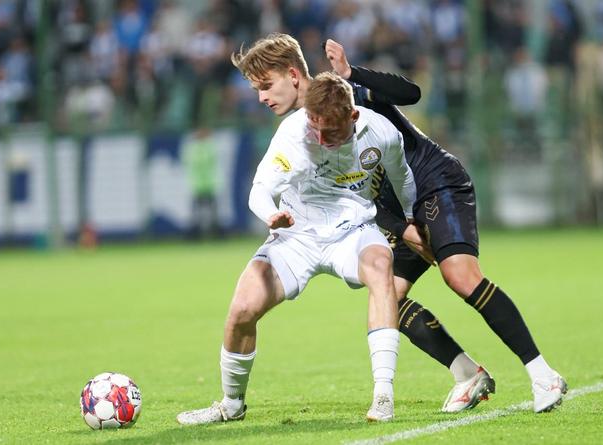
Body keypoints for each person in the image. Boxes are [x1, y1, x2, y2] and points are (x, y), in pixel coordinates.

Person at [233, 33, 567, 414]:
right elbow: (358, 194)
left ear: (293, 75)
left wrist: (353, 71)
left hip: (433, 182)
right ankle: (467, 373)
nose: (262, 96)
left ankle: (544, 375)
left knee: (459, 275)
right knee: (389, 295)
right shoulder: (302, 131)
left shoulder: (343, 94)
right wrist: (401, 225)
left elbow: (411, 93)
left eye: (266, 84)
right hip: (394, 209)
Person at [177, 72, 417, 424]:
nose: (320, 137)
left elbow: (402, 177)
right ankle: (231, 404)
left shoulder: (381, 132)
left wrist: (411, 220)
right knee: (242, 308)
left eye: (330, 131)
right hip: (296, 236)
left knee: (381, 266)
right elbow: (260, 189)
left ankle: (383, 395)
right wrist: (271, 214)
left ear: (352, 117)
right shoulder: (293, 133)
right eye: (314, 126)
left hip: (353, 231)